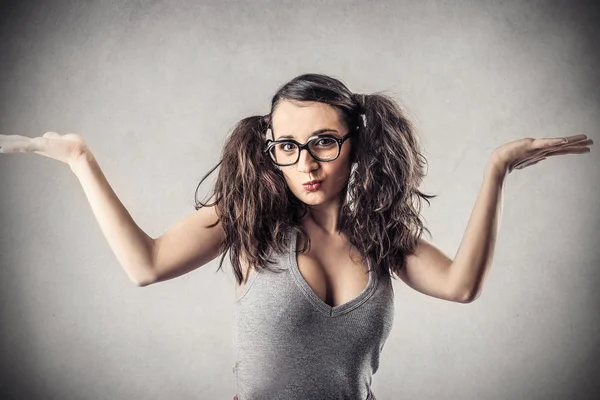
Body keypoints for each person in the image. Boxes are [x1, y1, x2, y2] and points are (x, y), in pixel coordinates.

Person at [0, 73, 592, 400]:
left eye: (323, 143)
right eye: (288, 146)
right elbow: (146, 263)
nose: (305, 163)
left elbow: (461, 286)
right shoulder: (249, 219)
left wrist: (496, 170)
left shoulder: (383, 237)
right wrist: (79, 159)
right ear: (271, 151)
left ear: (354, 144)